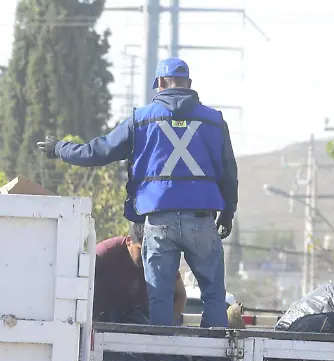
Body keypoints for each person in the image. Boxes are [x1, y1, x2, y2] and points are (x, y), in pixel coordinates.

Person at [38, 56, 238, 328]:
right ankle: (215, 358)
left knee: (160, 297)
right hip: (201, 219)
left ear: (160, 83)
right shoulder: (214, 121)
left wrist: (60, 148)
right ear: (188, 84)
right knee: (213, 293)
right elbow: (229, 171)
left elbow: (98, 151)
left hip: (157, 219)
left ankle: (160, 359)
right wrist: (227, 213)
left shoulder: (141, 120)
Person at [95, 222, 186, 325]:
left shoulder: (159, 259)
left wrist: (165, 329)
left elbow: (180, 294)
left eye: (150, 251)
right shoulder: (105, 253)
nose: (146, 257)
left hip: (142, 318)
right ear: (129, 241)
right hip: (105, 319)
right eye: (141, 250)